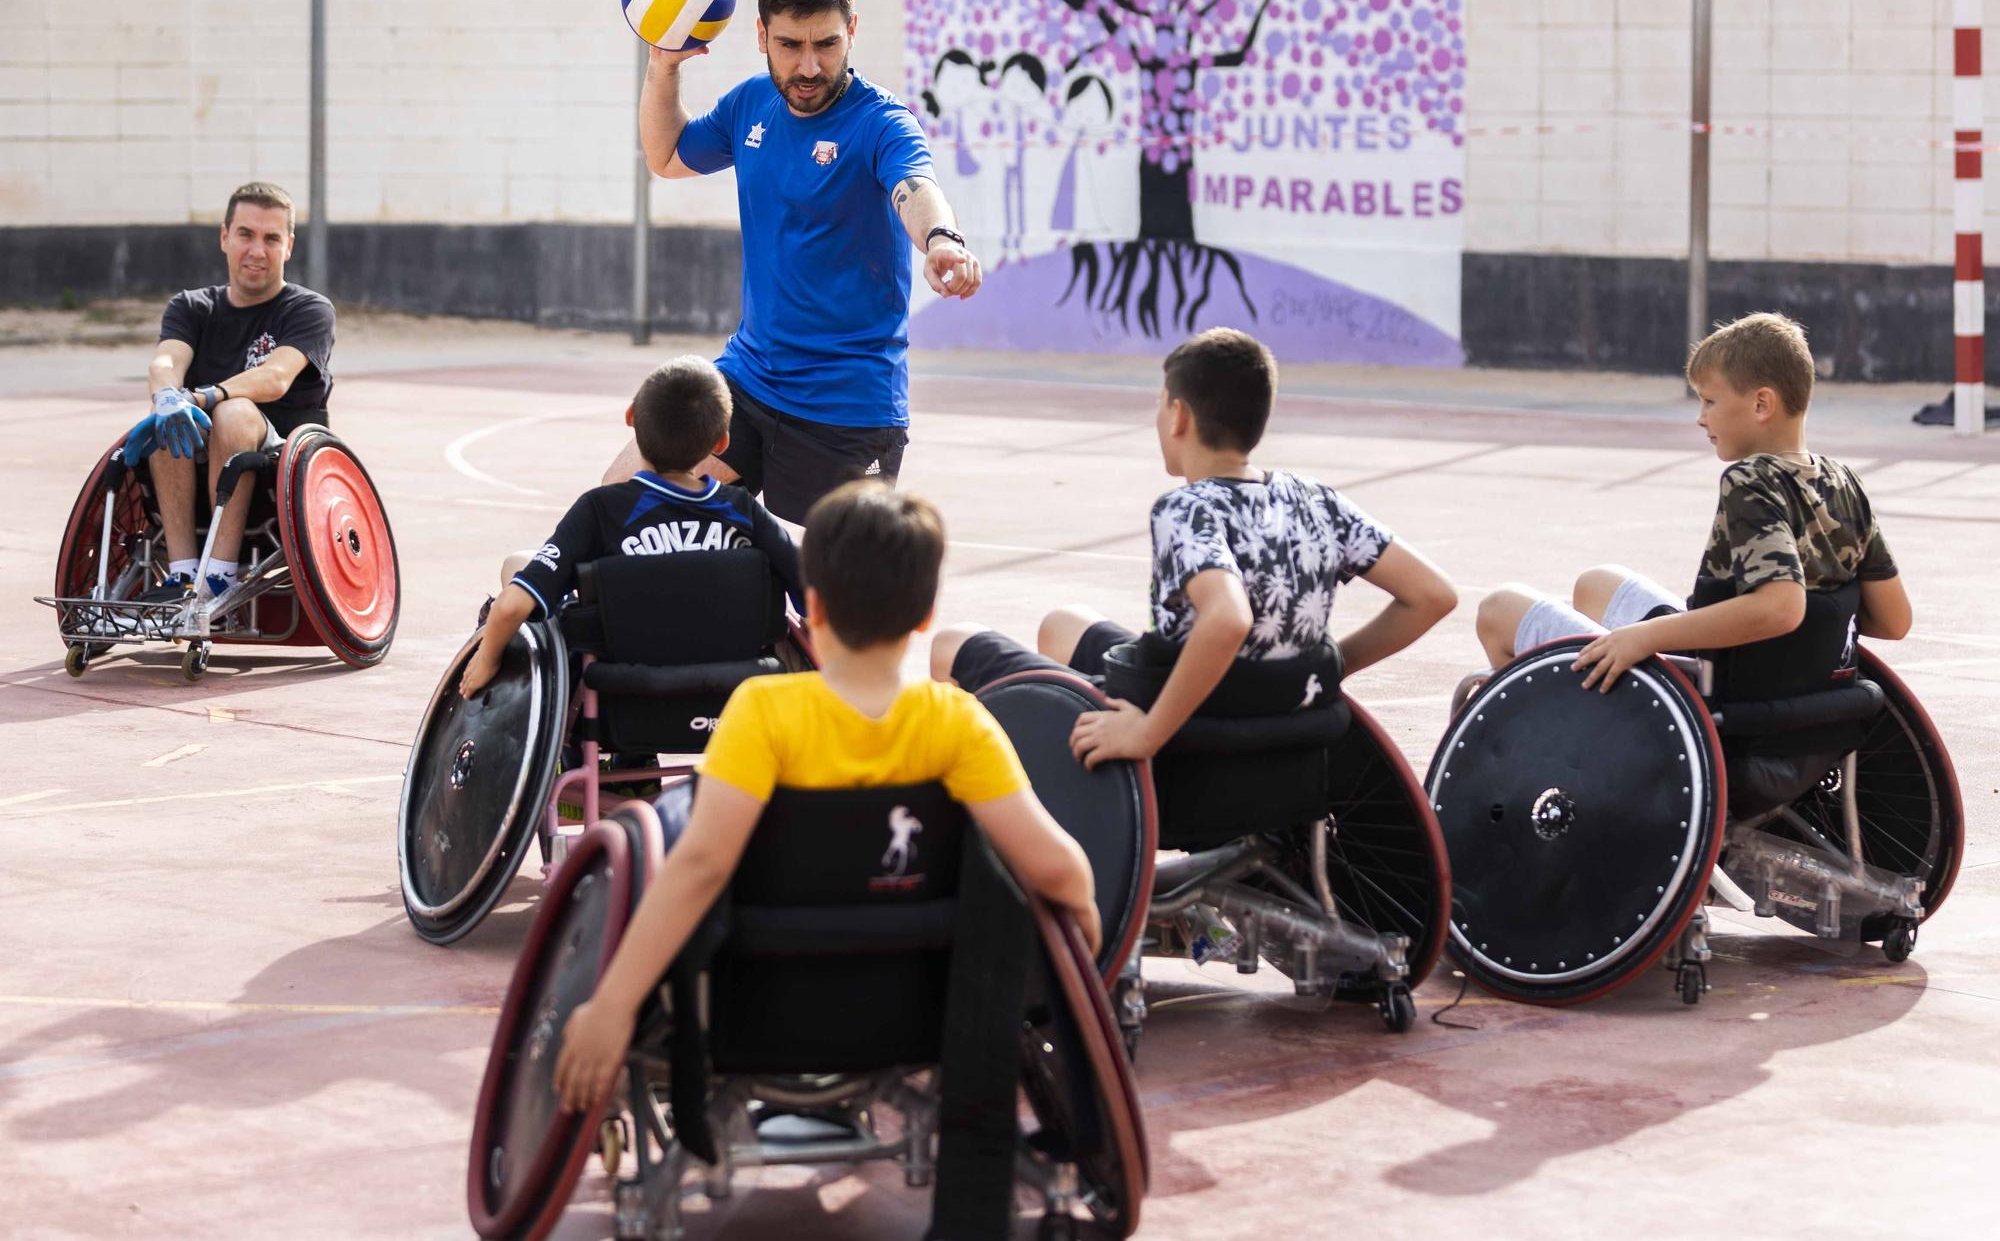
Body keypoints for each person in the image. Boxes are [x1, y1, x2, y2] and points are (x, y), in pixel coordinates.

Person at [551, 481, 1100, 1111]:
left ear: (811, 605)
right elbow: (1059, 870)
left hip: (757, 1015)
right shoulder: (957, 722)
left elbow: (702, 868)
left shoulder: (763, 711)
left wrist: (614, 1006)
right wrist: (1077, 985)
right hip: (922, 1018)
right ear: (925, 615)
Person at [929, 327, 1459, 769]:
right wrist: (1328, 665)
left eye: (1160, 407)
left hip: (1191, 739)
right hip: (1283, 725)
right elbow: (1433, 594)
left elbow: (1228, 619)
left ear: (1179, 416)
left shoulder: (1187, 509)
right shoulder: (1317, 499)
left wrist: (1146, 734)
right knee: (1062, 624)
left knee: (952, 644)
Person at [608, 0, 985, 523]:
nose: (809, 66)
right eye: (789, 45)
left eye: (826, 45)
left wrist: (940, 239)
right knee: (624, 502)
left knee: (825, 602)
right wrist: (664, 67)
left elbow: (914, 184)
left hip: (846, 407)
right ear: (761, 35)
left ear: (851, 31)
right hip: (749, 380)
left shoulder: (882, 122)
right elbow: (666, 156)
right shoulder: (750, 105)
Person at [1471, 311, 1912, 696]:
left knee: (1498, 609)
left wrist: (1643, 637)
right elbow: (1894, 621)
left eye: (1710, 401)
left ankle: (1560, 744)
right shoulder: (1845, 482)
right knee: (1596, 583)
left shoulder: (1751, 480)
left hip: (1714, 691)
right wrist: (1815, 634)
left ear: (1761, 404)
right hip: (1792, 691)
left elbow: (1781, 607)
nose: (1701, 417)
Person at [462, 356, 803, 699]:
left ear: (631, 418)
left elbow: (511, 607)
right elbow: (813, 594)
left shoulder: (600, 509)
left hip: (624, 691)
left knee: (518, 567)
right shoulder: (744, 511)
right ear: (722, 443)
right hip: (732, 686)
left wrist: (487, 661)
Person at [123, 181, 334, 601]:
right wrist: (168, 397)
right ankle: (182, 576)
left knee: (232, 411)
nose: (257, 250)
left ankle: (219, 576)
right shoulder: (191, 306)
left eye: (271, 238)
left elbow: (274, 378)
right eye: (245, 235)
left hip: (278, 460)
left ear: (288, 246)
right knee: (168, 421)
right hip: (200, 458)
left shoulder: (309, 309)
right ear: (224, 237)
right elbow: (166, 361)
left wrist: (200, 397)